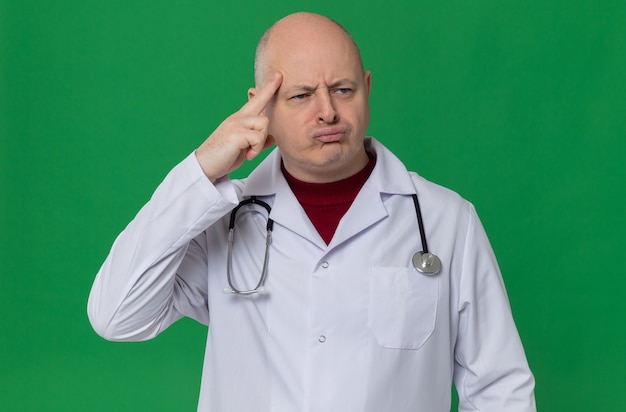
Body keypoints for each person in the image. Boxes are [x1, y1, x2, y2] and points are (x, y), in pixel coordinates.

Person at [88, 12, 536, 411]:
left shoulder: (445, 220)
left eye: (342, 89)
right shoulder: (221, 220)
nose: (328, 112)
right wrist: (201, 171)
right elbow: (117, 315)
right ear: (260, 105)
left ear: (367, 88)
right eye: (301, 95)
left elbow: (499, 388)